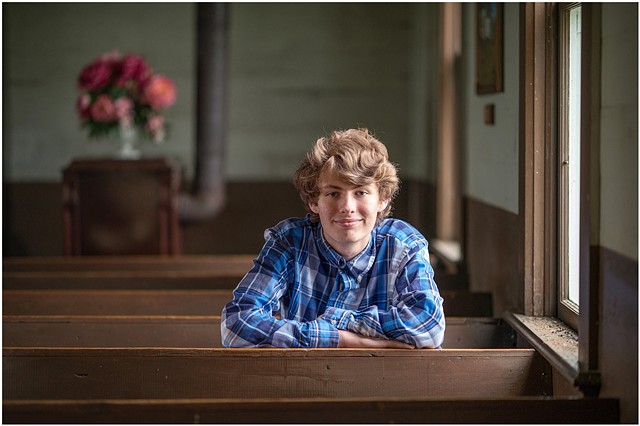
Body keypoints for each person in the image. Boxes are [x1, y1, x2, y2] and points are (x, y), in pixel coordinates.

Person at [221, 128, 445, 348]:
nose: (347, 207)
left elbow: (430, 326)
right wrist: (344, 340)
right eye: (333, 193)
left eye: (361, 192)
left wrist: (340, 321)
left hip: (386, 383)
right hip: (304, 382)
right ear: (314, 202)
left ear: (382, 200)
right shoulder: (289, 242)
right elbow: (235, 325)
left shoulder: (403, 245)